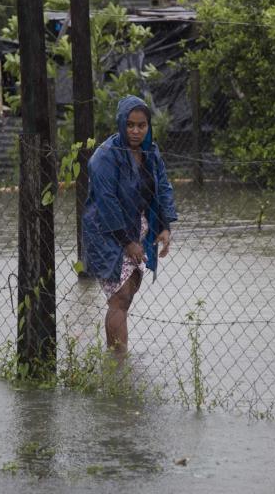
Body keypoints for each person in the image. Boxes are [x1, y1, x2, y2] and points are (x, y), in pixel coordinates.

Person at [82, 95, 178, 355]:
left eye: (142, 125)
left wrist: (165, 226)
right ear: (121, 124)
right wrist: (127, 242)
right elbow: (107, 202)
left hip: (138, 227)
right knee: (120, 297)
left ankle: (117, 361)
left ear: (148, 126)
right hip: (106, 232)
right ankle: (117, 363)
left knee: (128, 291)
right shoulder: (105, 157)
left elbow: (163, 187)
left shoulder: (150, 152)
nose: (136, 131)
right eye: (130, 125)